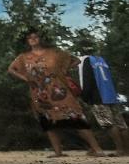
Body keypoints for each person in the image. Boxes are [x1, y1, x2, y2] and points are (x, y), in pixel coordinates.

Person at [8, 29, 105, 157]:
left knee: (76, 118)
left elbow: (75, 60)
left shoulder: (55, 52)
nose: (33, 39)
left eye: (35, 36)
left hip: (60, 90)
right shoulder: (23, 57)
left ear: (41, 38)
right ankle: (58, 152)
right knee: (49, 122)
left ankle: (97, 149)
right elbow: (11, 69)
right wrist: (26, 78)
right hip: (39, 92)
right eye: (29, 37)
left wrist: (63, 71)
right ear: (26, 40)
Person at [79, 54, 128, 155]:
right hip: (111, 95)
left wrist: (85, 96)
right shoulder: (101, 60)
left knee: (108, 124)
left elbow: (87, 79)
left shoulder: (85, 60)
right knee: (121, 124)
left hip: (98, 97)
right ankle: (127, 150)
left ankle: (120, 150)